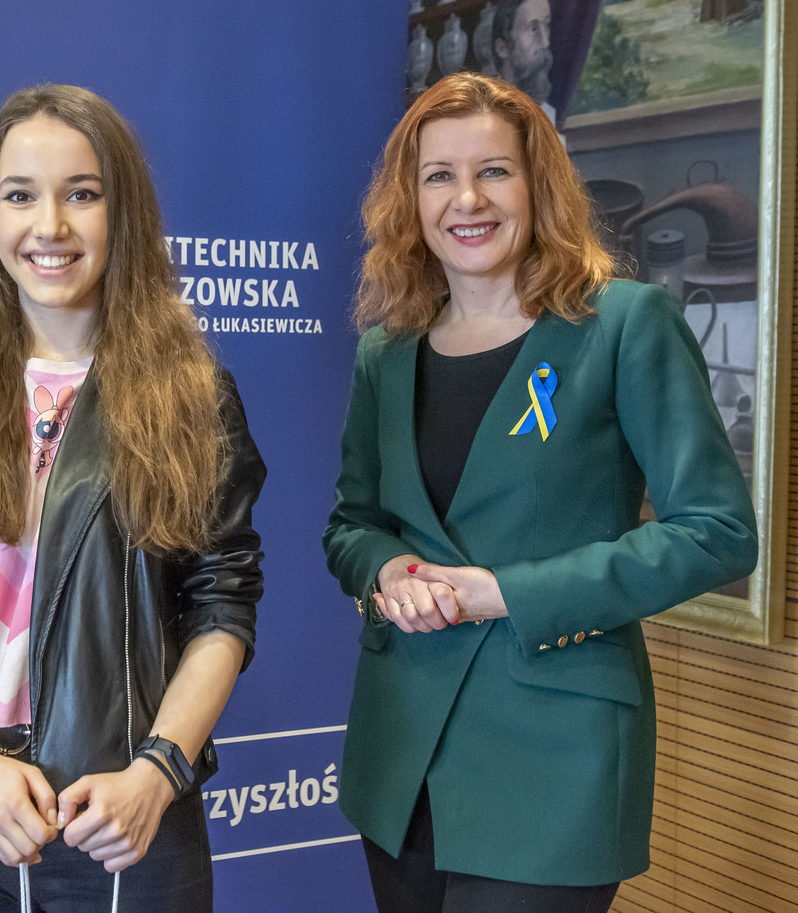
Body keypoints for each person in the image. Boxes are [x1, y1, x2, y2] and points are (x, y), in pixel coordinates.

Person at [324, 72, 756, 912]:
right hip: (401, 758)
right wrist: (385, 571)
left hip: (553, 762)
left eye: (494, 170)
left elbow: (717, 530)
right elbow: (353, 523)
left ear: (538, 184)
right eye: (440, 175)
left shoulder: (623, 324)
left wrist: (509, 593)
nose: (468, 199)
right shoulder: (387, 351)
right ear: (411, 200)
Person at [0, 84, 266, 911]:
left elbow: (223, 605)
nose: (50, 225)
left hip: (124, 813)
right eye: (21, 195)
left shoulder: (195, 401)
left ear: (122, 213)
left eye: (82, 193)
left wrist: (159, 769)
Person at [491, 0, 555, 121]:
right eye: (533, 29)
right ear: (503, 48)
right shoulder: (488, 115)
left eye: (547, 25)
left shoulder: (548, 115)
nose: (545, 42)